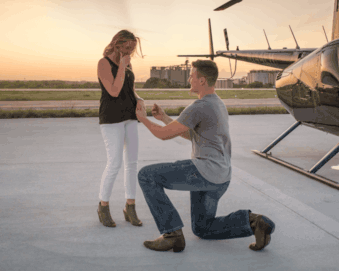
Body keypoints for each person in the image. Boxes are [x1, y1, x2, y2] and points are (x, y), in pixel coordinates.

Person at [135, 60, 275, 252]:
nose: (189, 78)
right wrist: (164, 118)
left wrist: (142, 118)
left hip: (204, 172)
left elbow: (164, 134)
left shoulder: (199, 106)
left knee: (147, 175)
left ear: (201, 80)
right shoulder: (217, 103)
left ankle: (172, 234)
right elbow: (191, 134)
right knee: (203, 228)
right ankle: (254, 223)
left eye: (192, 75)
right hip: (221, 177)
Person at [96, 30, 145, 228]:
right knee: (115, 163)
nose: (130, 52)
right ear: (117, 44)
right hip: (111, 118)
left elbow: (129, 90)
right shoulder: (103, 63)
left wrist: (140, 99)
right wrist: (123, 67)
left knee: (132, 163)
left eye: (132, 49)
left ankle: (130, 207)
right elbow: (114, 91)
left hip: (130, 117)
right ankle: (103, 206)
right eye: (127, 48)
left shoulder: (127, 62)